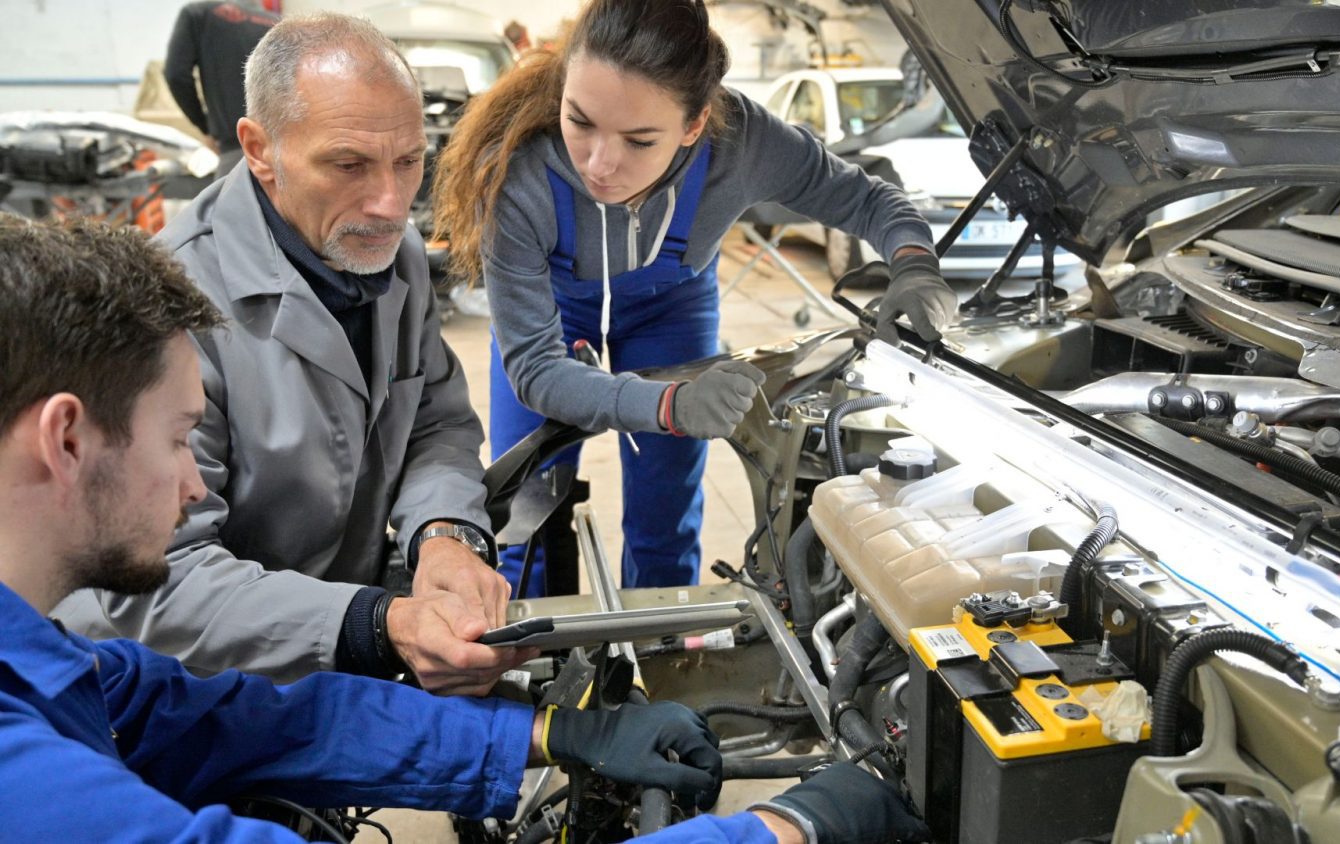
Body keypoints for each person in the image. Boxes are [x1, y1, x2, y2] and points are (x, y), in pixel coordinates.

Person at [0, 214, 928, 844]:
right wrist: (781, 828)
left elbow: (254, 721)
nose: (196, 481)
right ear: (67, 438)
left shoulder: (47, 663)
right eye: (174, 440)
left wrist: (553, 733)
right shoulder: (26, 786)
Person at [55, 13, 521, 695]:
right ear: (259, 148)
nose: (392, 203)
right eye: (348, 165)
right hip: (185, 683)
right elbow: (157, 575)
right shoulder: (162, 308)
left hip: (341, 625)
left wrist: (444, 533)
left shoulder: (398, 257)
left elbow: (436, 422)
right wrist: (374, 623)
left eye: (409, 160)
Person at [433, 0, 958, 594]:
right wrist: (666, 405)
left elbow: (869, 200)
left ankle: (662, 654)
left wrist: (914, 262)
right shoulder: (517, 173)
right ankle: (526, 660)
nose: (600, 165)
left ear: (694, 125)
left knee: (666, 508)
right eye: (579, 122)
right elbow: (535, 369)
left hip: (671, 307)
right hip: (554, 311)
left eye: (639, 140)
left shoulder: (745, 145)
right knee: (523, 509)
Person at [164, 1, 280, 178]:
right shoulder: (275, 22)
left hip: (236, 149)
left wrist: (205, 127)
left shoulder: (198, 14)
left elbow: (176, 75)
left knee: (233, 204)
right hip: (284, 148)